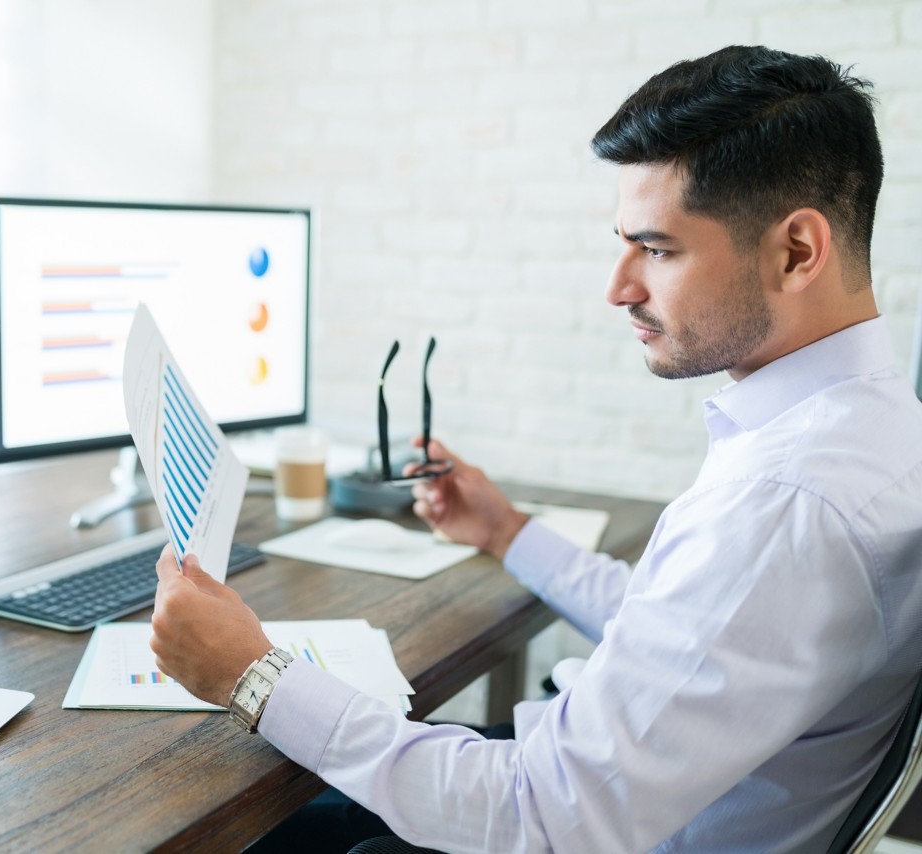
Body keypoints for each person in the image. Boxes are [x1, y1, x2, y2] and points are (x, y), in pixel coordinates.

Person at [149, 45, 922, 852]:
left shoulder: (788, 498)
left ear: (798, 251)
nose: (618, 286)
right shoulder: (869, 430)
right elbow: (697, 636)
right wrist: (507, 532)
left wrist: (254, 676)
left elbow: (537, 816)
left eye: (657, 249)